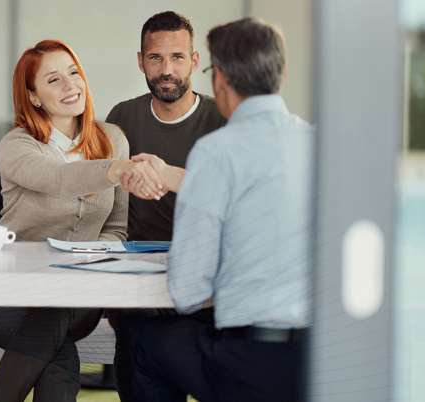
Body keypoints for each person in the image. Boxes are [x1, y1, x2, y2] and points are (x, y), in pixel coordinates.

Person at [132, 17, 314, 402]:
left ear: (220, 78)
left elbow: (187, 292)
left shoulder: (217, 152)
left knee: (145, 342)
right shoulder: (318, 143)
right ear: (280, 76)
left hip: (253, 361)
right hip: (323, 359)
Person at [0, 39, 164, 402]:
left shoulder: (112, 139)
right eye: (54, 80)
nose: (70, 85)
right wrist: (115, 169)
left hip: (79, 296)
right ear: (33, 96)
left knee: (58, 309)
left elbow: (117, 228)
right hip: (8, 296)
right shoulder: (17, 146)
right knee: (59, 355)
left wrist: (83, 258)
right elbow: (58, 180)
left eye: (73, 73)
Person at [104, 11, 226, 402]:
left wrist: (169, 175)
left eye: (177, 58)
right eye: (155, 58)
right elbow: (106, 205)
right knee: (136, 334)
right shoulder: (121, 118)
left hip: (208, 281)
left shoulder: (223, 120)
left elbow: (239, 199)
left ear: (194, 61)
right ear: (140, 61)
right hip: (140, 285)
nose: (166, 70)